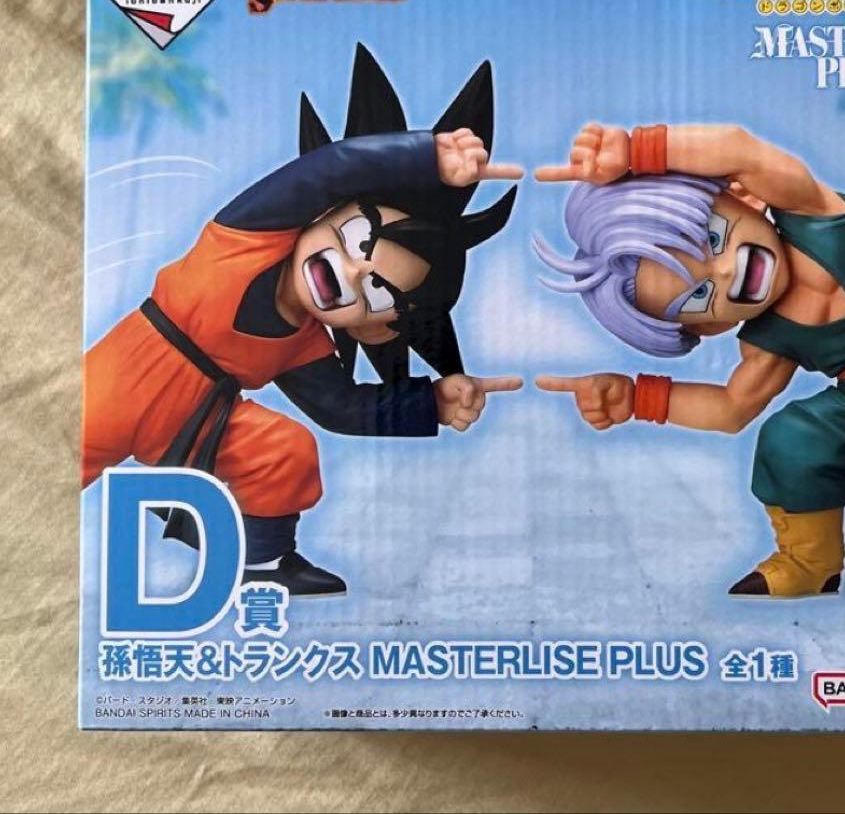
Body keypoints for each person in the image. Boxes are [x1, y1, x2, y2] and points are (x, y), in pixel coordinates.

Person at [83, 44, 523, 597]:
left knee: (284, 449)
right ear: (325, 212)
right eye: (359, 240)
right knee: (52, 458)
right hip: (121, 382)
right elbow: (324, 171)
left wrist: (431, 401)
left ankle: (261, 561)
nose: (353, 271)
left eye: (377, 293)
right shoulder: (246, 236)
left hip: (200, 422)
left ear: (375, 328)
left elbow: (342, 407)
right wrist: (422, 156)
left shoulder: (304, 344)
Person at [534, 122, 845, 598]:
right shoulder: (769, 341)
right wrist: (637, 398)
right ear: (709, 327)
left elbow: (739, 150)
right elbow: (731, 408)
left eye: (712, 239)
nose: (727, 271)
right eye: (700, 295)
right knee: (791, 441)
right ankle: (811, 563)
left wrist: (637, 149)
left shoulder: (815, 212)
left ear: (742, 197)